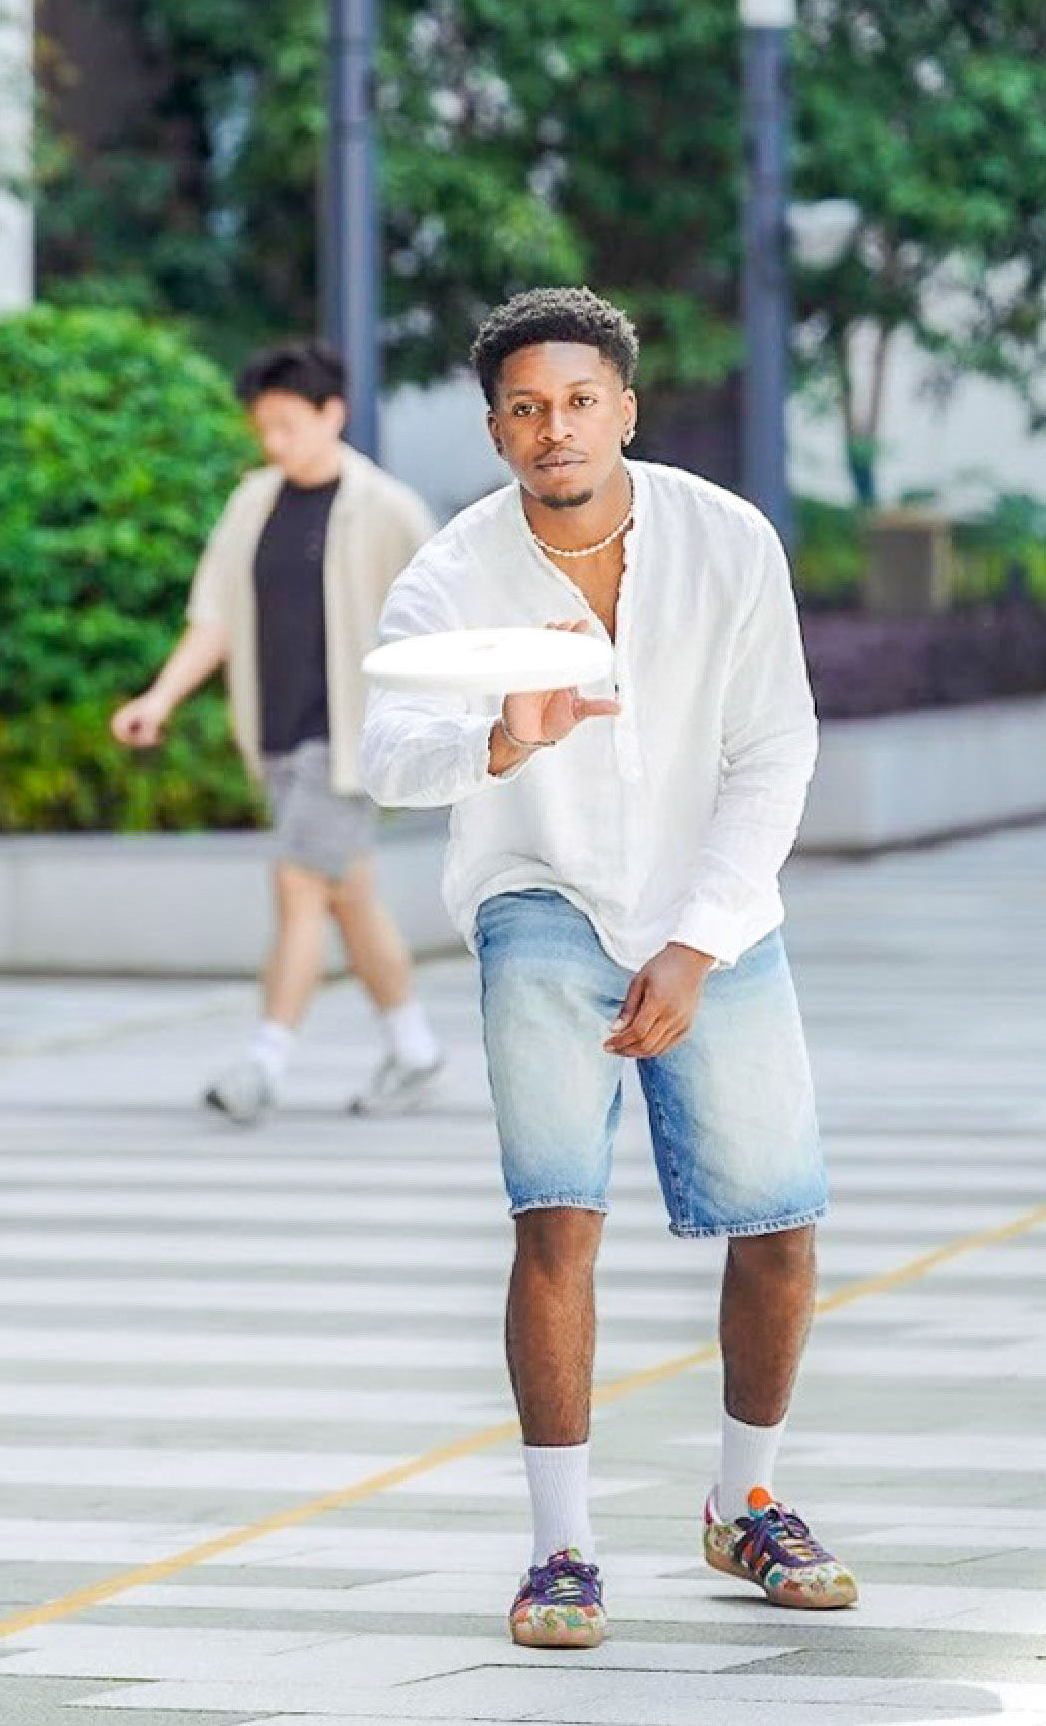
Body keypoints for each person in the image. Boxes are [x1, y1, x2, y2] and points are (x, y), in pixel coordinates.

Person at [362, 285, 855, 1651]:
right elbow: (388, 752)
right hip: (541, 900)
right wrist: (501, 743)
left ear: (623, 408)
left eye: (578, 400)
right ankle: (560, 1545)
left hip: (715, 909)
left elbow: (773, 750)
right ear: (494, 427)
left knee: (778, 1225)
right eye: (525, 407)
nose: (553, 428)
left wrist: (696, 940)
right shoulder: (454, 572)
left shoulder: (725, 542)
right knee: (555, 1220)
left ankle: (742, 1497)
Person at [113, 341, 444, 1123]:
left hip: (351, 737)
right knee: (349, 896)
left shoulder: (388, 508)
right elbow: (216, 616)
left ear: (334, 413)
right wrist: (159, 698)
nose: (273, 442)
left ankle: (264, 1061)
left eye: (288, 424)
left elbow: (441, 616)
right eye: (263, 426)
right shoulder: (252, 503)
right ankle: (415, 1047)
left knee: (298, 885)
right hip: (276, 734)